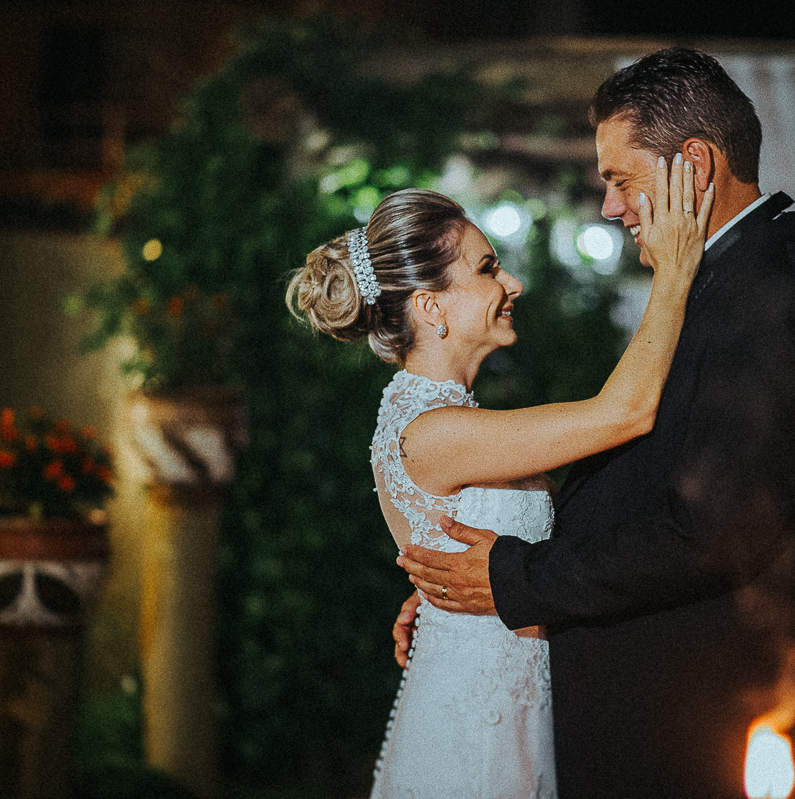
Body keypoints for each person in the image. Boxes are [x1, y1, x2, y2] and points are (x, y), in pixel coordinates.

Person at [397, 47, 795, 799]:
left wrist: (514, 578)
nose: (610, 207)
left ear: (696, 163)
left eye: (621, 179)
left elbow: (711, 531)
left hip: (705, 734)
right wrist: (467, 596)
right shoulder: (716, 289)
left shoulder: (782, 303)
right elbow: (641, 484)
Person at [287, 167, 712, 797]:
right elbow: (624, 413)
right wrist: (676, 273)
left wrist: (436, 605)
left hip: (502, 692)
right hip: (480, 723)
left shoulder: (439, 418)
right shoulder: (431, 432)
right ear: (430, 306)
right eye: (487, 270)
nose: (511, 283)